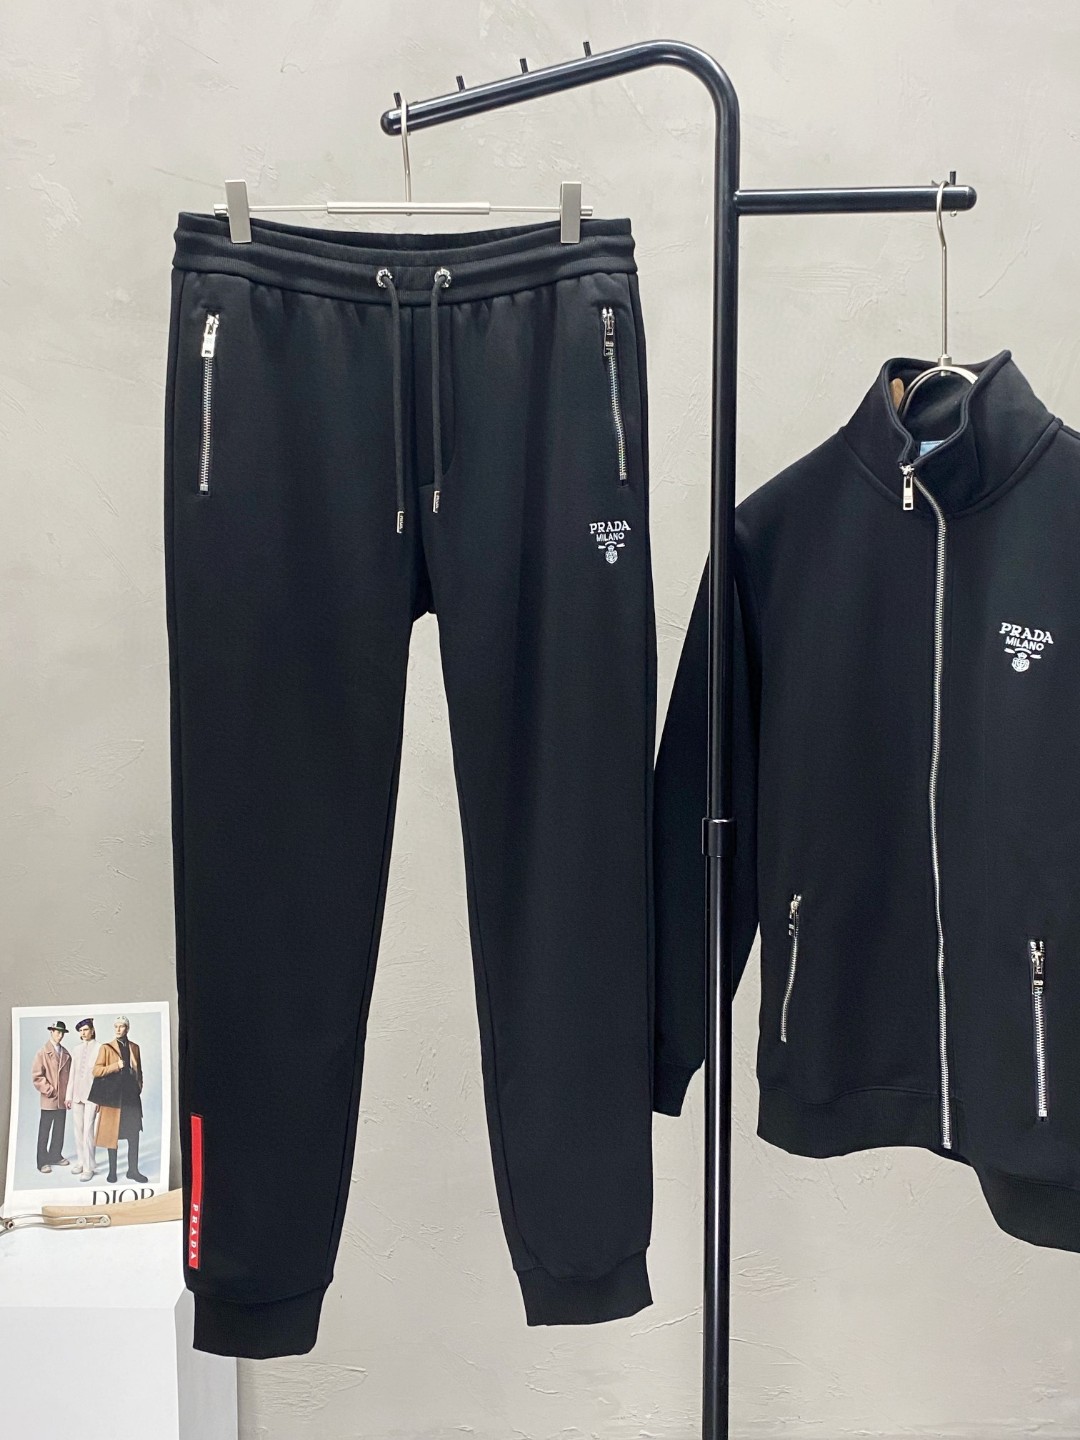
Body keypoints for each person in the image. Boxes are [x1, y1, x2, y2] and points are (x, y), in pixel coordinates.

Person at [89, 1016, 147, 1184]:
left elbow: (139, 1071)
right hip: (112, 1097)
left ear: (127, 1029)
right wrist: (116, 1066)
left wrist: (138, 1088)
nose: (118, 1029)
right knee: (112, 1135)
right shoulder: (106, 1048)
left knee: (133, 1134)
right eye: (116, 1026)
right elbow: (96, 1071)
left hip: (131, 1098)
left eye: (121, 1026)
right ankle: (112, 1172)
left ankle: (133, 1171)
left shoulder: (135, 1047)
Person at [31, 1021, 72, 1173]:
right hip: (49, 1098)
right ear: (51, 1032)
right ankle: (42, 1161)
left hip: (62, 1099)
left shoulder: (66, 1054)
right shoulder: (42, 1052)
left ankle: (55, 1155)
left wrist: (68, 1096)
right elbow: (37, 1076)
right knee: (45, 1130)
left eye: (62, 1033)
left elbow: (70, 1078)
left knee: (59, 1129)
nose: (60, 1035)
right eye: (57, 1032)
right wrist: (49, 1089)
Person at [66, 1017, 99, 1181]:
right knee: (78, 1130)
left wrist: (99, 1099)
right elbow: (72, 1073)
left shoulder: (100, 1048)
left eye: (86, 1029)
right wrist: (68, 1096)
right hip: (77, 1095)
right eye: (81, 1030)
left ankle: (89, 1167)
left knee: (88, 1131)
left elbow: (102, 1078)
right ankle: (80, 1161)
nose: (83, 1033)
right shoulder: (76, 1049)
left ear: (92, 1030)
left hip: (92, 1096)